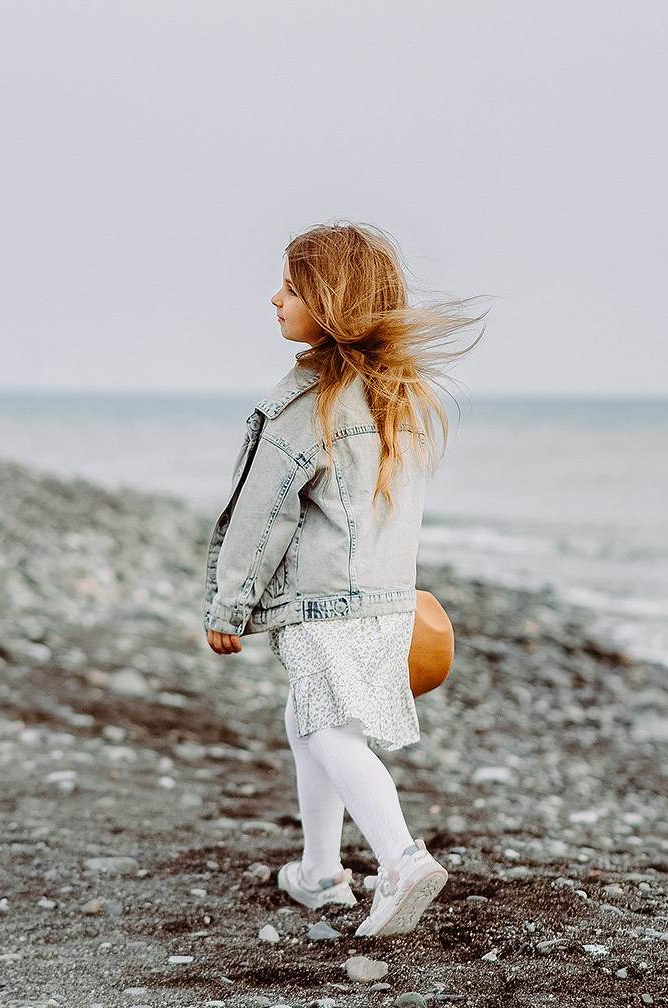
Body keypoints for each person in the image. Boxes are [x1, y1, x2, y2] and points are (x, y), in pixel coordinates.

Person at [204, 223, 484, 937]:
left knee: (328, 729)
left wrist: (229, 605)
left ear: (329, 302)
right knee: (308, 718)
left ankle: (399, 859)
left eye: (291, 287)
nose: (275, 298)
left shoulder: (307, 407)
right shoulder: (400, 399)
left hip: (325, 607)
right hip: (387, 605)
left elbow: (263, 515)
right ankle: (321, 871)